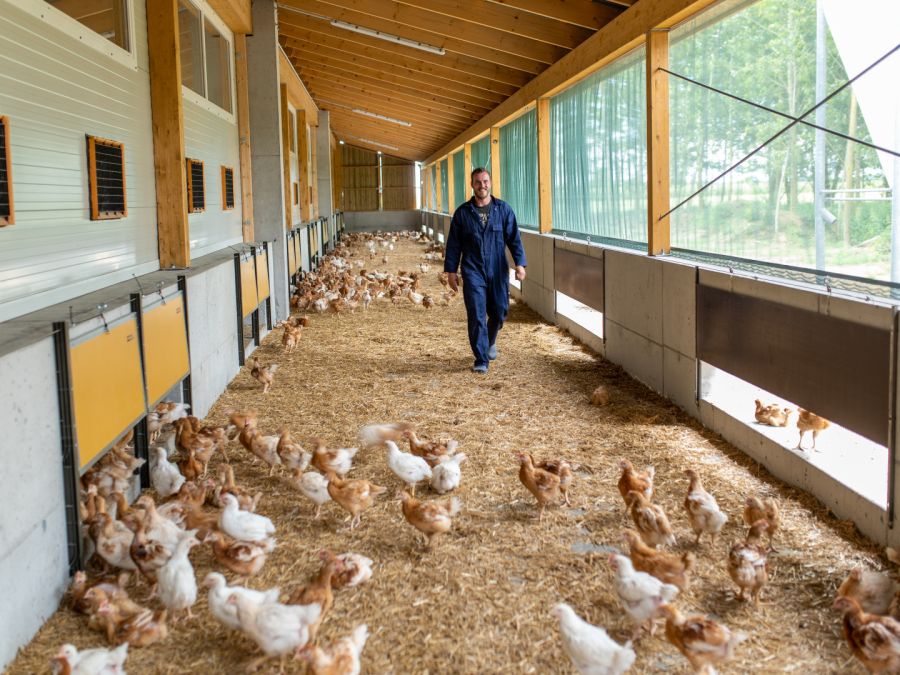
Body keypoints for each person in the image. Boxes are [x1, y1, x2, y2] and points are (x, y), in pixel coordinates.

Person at [444, 167, 527, 373]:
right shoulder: (463, 213)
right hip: (472, 269)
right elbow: (453, 244)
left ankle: (489, 341)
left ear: (490, 183)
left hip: (498, 268)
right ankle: (481, 359)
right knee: (477, 313)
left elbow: (514, 239)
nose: (482, 185)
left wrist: (520, 264)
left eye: (485, 181)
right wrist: (451, 271)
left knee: (500, 311)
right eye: (478, 182)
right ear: (472, 185)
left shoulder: (503, 210)